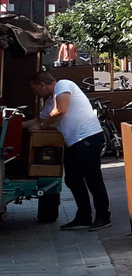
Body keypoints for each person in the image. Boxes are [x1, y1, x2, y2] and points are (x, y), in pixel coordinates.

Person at [28, 69, 111, 231]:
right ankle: (84, 216)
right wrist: (14, 124)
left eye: (34, 89)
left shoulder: (63, 84)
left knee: (92, 178)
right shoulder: (49, 103)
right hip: (73, 143)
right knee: (72, 179)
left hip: (88, 137)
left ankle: (103, 216)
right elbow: (39, 121)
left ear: (43, 85)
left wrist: (45, 123)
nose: (34, 93)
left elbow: (60, 110)